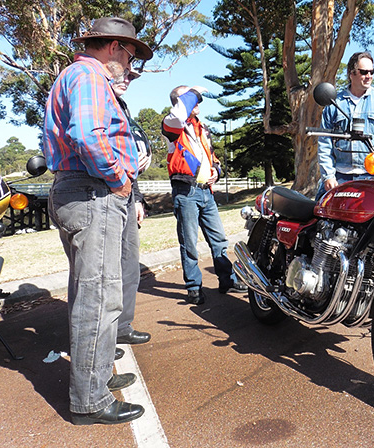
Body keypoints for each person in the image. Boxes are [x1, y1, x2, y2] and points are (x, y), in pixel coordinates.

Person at [42, 17, 152, 425]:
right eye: (129, 53)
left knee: (90, 292)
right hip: (92, 192)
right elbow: (89, 136)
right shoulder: (89, 76)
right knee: (100, 297)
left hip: (79, 191)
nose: (129, 62)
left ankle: (97, 373)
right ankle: (89, 398)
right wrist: (120, 177)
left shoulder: (77, 76)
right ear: (113, 48)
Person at [161, 85, 245, 305]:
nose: (196, 101)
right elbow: (177, 117)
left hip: (206, 193)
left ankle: (227, 280)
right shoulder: (172, 127)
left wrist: (216, 172)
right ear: (180, 102)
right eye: (189, 98)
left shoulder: (201, 128)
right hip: (185, 192)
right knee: (189, 243)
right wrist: (194, 92)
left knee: (219, 240)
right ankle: (193, 287)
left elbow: (212, 157)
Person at [106, 64, 153, 350]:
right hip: (102, 195)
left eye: (131, 76)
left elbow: (127, 158)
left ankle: (122, 325)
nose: (127, 80)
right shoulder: (98, 99)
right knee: (103, 276)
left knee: (129, 266)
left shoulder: (121, 105)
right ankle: (103, 341)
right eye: (122, 73)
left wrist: (136, 197)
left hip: (125, 194)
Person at [317, 51, 374, 199]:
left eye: (371, 72)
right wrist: (328, 176)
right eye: (364, 72)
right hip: (340, 178)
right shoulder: (334, 104)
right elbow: (324, 144)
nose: (369, 76)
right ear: (351, 73)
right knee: (320, 213)